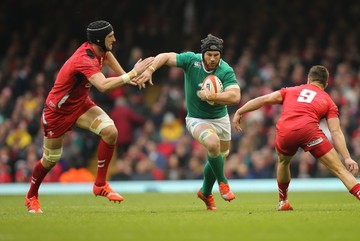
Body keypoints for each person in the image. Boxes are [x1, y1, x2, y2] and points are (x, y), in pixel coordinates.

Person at [24, 20, 153, 213]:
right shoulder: (84, 59)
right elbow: (102, 86)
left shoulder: (100, 51)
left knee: (110, 132)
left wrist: (127, 76)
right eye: (111, 37)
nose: (115, 39)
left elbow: (108, 57)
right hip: (58, 112)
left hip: (80, 104)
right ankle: (31, 196)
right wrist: (132, 74)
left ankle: (100, 185)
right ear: (99, 40)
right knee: (50, 159)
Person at [232, 65, 360, 211]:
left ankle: (283, 201)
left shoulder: (291, 90)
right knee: (339, 169)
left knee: (283, 162)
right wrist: (347, 157)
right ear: (325, 83)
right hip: (309, 131)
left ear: (308, 79)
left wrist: (240, 111)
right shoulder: (328, 101)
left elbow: (263, 99)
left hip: (286, 130)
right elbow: (336, 131)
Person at [137, 34, 241, 210]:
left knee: (220, 156)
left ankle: (205, 192)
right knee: (212, 144)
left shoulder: (225, 70)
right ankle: (223, 183)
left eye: (216, 55)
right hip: (196, 118)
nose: (213, 59)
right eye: (209, 55)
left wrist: (213, 96)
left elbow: (235, 96)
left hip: (221, 119)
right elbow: (165, 56)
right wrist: (151, 69)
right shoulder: (191, 61)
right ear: (203, 54)